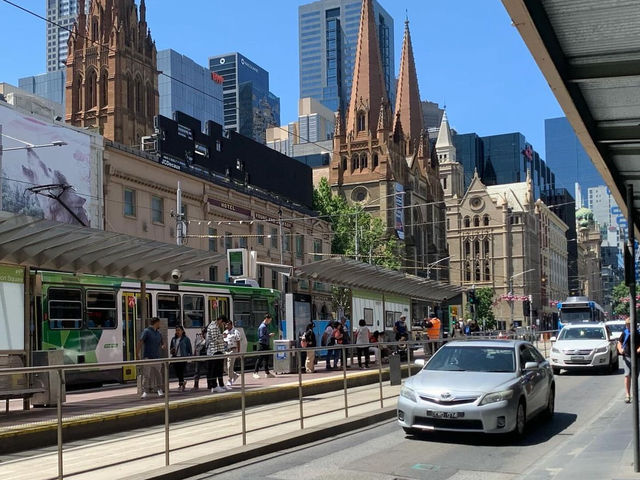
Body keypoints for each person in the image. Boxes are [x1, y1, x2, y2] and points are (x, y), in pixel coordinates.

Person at [136, 317, 165, 399]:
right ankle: (145, 391)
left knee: (158, 374)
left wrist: (163, 345)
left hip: (157, 357)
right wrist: (137, 353)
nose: (160, 324)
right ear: (156, 323)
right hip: (148, 357)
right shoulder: (146, 331)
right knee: (146, 375)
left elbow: (162, 342)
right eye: (159, 323)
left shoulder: (158, 333)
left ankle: (159, 389)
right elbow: (140, 342)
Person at [617, 318, 640, 403]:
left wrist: (639, 349)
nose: (628, 326)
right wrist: (620, 350)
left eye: (630, 325)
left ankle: (635, 394)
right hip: (627, 356)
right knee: (627, 375)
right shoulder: (625, 333)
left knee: (635, 376)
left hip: (637, 357)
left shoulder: (638, 333)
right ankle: (627, 394)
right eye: (627, 325)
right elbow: (619, 342)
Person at [207, 316, 228, 393]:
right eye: (223, 323)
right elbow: (215, 339)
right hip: (215, 350)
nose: (223, 325)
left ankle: (219, 385)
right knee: (215, 369)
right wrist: (223, 337)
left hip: (217, 350)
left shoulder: (214, 326)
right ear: (221, 321)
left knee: (218, 369)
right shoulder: (214, 327)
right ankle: (214, 386)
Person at [170, 325, 192, 392]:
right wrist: (172, 350)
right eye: (176, 330)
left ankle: (181, 384)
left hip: (182, 357)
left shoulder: (186, 339)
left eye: (179, 330)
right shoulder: (173, 339)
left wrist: (189, 355)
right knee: (177, 372)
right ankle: (182, 382)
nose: (177, 332)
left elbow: (189, 348)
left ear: (182, 331)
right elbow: (171, 348)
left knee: (181, 371)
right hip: (175, 357)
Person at [253, 313, 275, 379]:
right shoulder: (263, 326)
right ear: (267, 319)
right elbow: (261, 336)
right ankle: (255, 372)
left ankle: (267, 372)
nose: (270, 321)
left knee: (266, 359)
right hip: (262, 344)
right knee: (260, 358)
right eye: (270, 320)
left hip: (265, 344)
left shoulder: (265, 326)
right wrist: (269, 335)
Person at [223, 319, 241, 387]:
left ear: (231, 325)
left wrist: (238, 352)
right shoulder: (225, 332)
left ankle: (230, 380)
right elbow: (224, 342)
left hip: (233, 350)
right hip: (225, 351)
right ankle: (234, 375)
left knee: (230, 366)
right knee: (224, 367)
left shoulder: (236, 332)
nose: (226, 326)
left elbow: (238, 342)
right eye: (225, 325)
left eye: (227, 325)